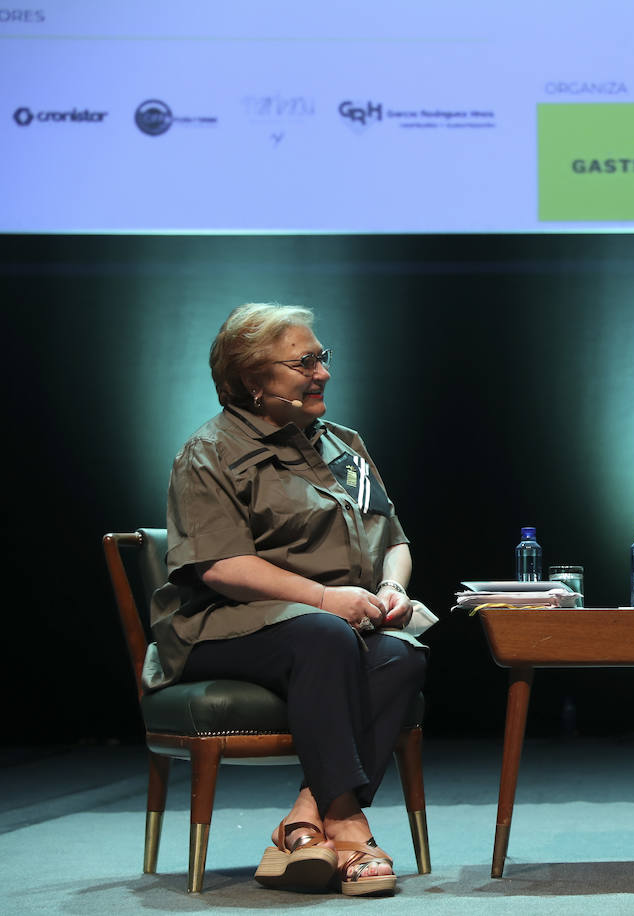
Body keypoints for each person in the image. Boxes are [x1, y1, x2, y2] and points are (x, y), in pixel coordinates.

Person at [143, 303, 428, 897]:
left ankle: (304, 816)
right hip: (217, 628)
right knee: (323, 636)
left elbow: (394, 539)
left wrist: (391, 588)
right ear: (253, 379)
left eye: (322, 357)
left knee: (401, 655)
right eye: (304, 362)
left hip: (324, 629)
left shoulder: (345, 447)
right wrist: (326, 598)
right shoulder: (210, 452)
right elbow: (221, 566)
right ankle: (347, 822)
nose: (322, 372)